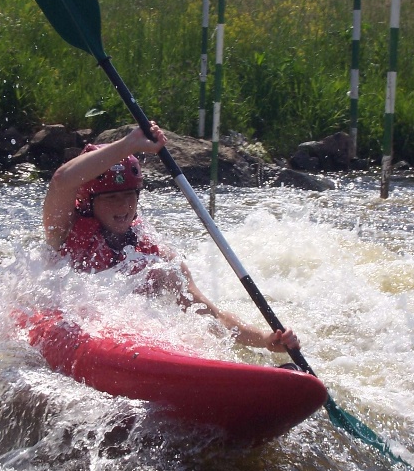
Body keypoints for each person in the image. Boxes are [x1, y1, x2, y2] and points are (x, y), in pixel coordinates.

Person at [42, 122, 301, 354]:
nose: (123, 207)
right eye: (111, 197)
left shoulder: (152, 253)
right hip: (72, 328)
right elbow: (61, 180)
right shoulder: (64, 232)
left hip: (126, 343)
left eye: (129, 195)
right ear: (89, 201)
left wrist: (265, 339)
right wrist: (127, 145)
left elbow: (207, 313)